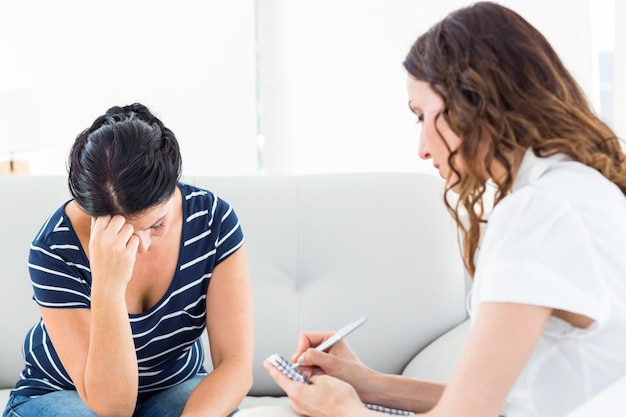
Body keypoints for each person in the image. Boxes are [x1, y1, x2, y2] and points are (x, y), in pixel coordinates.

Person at [262, 2, 626, 416]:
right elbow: (495, 402)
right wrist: (369, 384)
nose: (420, 149)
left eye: (422, 115)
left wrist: (346, 412)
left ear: (474, 101)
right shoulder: (580, 189)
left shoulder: (539, 213)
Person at [2, 103, 254, 417]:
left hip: (173, 386)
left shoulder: (212, 220)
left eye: (157, 224)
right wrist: (108, 287)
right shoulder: (54, 247)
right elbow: (113, 408)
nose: (142, 246)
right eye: (123, 232)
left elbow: (235, 366)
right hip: (65, 394)